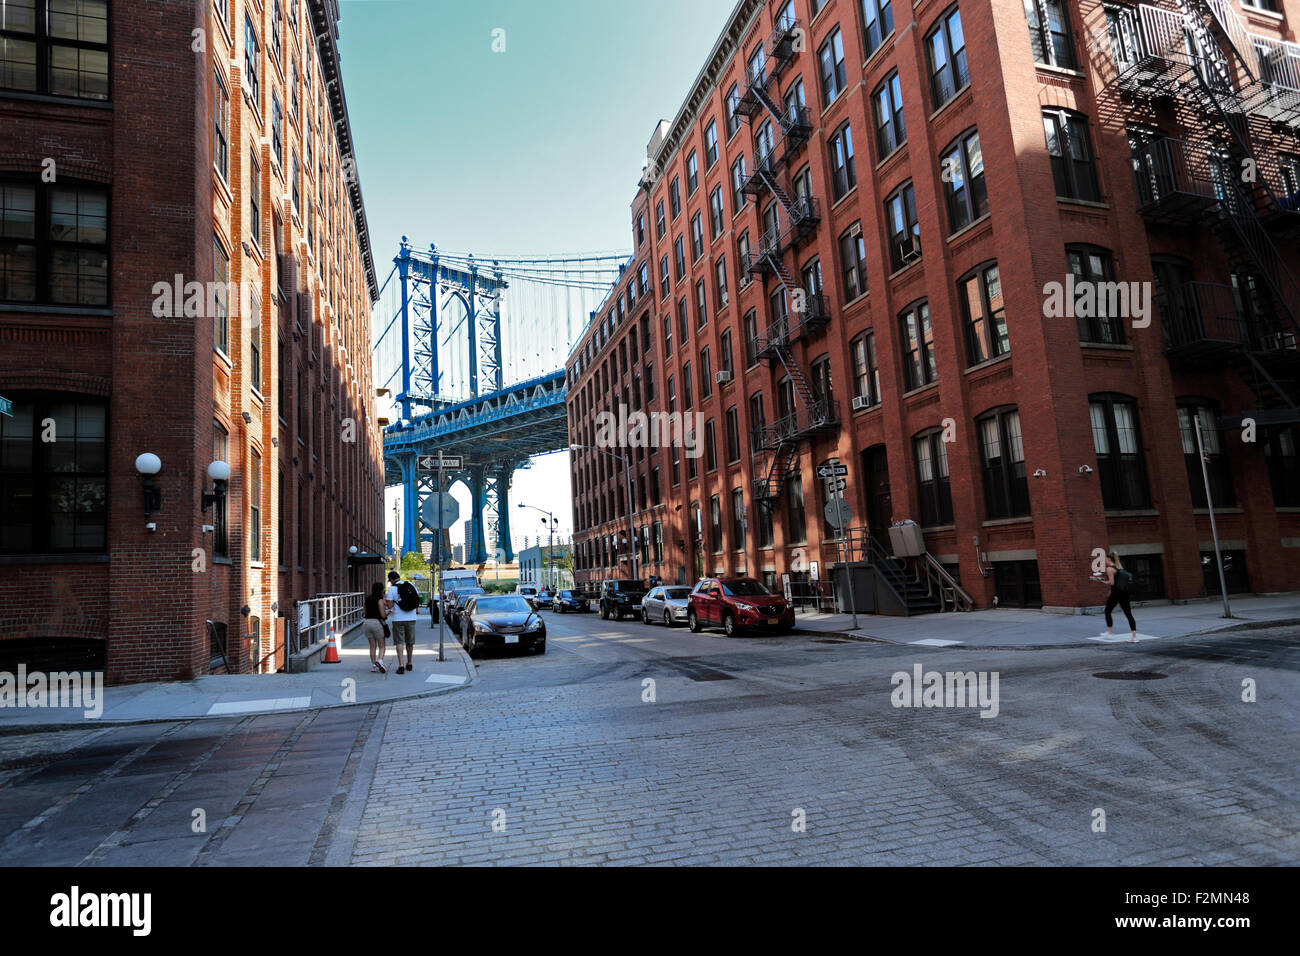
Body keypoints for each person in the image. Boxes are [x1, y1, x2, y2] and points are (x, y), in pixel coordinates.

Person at [1098, 551, 1138, 642]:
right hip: (1124, 593)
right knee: (1128, 614)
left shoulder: (1109, 569)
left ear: (1109, 559)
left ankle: (1110, 633)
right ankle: (1134, 637)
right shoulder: (1119, 568)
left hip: (1116, 594)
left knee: (1107, 611)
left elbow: (1112, 583)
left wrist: (1102, 581)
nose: (1105, 561)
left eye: (1105, 560)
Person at [386, 570, 420, 674]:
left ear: (391, 580)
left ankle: (401, 665)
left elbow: (390, 606)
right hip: (411, 618)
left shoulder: (392, 589)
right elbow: (417, 599)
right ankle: (409, 663)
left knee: (399, 642)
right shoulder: (410, 585)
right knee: (410, 642)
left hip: (398, 619)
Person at [363, 582, 388, 674]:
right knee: (382, 646)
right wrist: (387, 613)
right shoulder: (380, 599)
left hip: (366, 623)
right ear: (381, 590)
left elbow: (364, 610)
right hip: (377, 623)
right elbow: (382, 614)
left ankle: (373, 665)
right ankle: (380, 660)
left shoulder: (367, 599)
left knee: (372, 646)